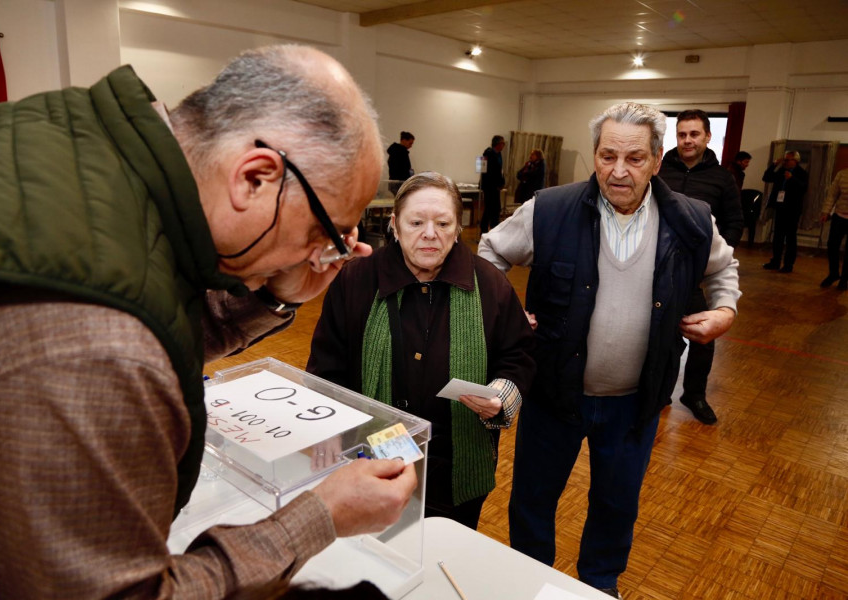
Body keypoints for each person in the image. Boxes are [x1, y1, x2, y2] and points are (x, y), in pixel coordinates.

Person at [0, 45, 418, 598]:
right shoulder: (94, 347)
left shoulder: (81, 139)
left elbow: (150, 301)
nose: (323, 255)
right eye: (328, 232)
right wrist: (319, 515)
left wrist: (271, 289)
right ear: (255, 179)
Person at [479, 102, 740, 598]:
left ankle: (599, 585)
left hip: (635, 402)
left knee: (616, 505)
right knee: (533, 500)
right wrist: (506, 309)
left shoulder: (690, 219)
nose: (618, 171)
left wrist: (725, 311)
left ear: (657, 160)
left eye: (635, 158)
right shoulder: (549, 210)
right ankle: (528, 582)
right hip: (554, 396)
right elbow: (489, 252)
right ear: (595, 155)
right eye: (607, 155)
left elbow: (724, 269)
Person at [307, 172, 535, 530]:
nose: (430, 233)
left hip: (455, 468)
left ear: (458, 227)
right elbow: (325, 366)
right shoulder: (357, 280)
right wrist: (330, 432)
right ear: (395, 225)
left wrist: (500, 397)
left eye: (443, 223)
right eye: (416, 222)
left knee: (448, 556)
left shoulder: (489, 283)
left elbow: (518, 355)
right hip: (369, 461)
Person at [658, 109, 743, 425]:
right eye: (682, 134)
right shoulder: (659, 170)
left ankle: (694, 394)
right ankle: (661, 391)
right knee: (659, 336)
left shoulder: (722, 178)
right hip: (657, 270)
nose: (687, 140)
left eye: (694, 134)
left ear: (708, 137)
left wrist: (715, 255)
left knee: (702, 336)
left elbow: (734, 222)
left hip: (693, 275)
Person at [762, 150, 809, 273]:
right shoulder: (781, 171)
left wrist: (792, 178)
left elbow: (803, 188)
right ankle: (776, 261)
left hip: (792, 210)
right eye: (785, 159)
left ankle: (788, 264)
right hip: (780, 207)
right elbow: (766, 177)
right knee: (777, 236)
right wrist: (774, 164)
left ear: (796, 161)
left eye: (788, 160)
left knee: (790, 238)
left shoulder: (801, 173)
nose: (786, 162)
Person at [820, 167, 848, 290]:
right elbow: (832, 194)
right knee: (832, 245)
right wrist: (825, 211)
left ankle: (844, 279)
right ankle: (834, 273)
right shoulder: (842, 174)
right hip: (839, 215)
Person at [480, 135, 506, 235]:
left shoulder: (498, 155)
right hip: (490, 187)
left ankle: (493, 229)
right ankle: (485, 229)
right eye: (502, 143)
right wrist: (498, 183)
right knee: (490, 208)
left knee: (494, 209)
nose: (503, 145)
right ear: (498, 144)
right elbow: (490, 173)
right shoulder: (489, 154)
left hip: (495, 187)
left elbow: (500, 171)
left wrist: (502, 182)